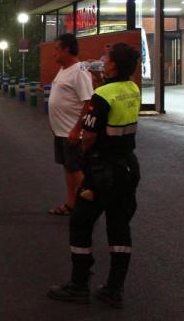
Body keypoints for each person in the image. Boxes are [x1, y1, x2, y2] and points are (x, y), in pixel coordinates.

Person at [48, 43, 141, 309]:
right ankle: (114, 288)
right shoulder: (132, 89)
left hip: (103, 171)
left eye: (106, 58)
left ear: (112, 64)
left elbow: (89, 136)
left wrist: (83, 151)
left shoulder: (102, 95)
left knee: (80, 223)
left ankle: (78, 285)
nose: (102, 60)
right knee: (119, 226)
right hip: (128, 167)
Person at [46, 34, 94, 216]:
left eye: (57, 49)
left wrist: (77, 129)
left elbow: (88, 102)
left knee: (77, 172)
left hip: (72, 133)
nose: (54, 53)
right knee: (69, 169)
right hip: (61, 131)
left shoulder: (79, 70)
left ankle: (87, 208)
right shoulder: (64, 69)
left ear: (67, 50)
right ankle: (72, 204)